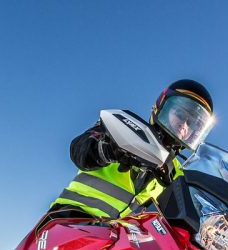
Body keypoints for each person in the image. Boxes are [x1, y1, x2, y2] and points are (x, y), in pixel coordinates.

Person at [39, 79, 215, 232]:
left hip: (121, 244)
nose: (183, 125)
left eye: (191, 123)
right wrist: (110, 150)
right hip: (71, 219)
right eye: (180, 114)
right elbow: (79, 151)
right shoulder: (124, 127)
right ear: (161, 107)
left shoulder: (177, 174)